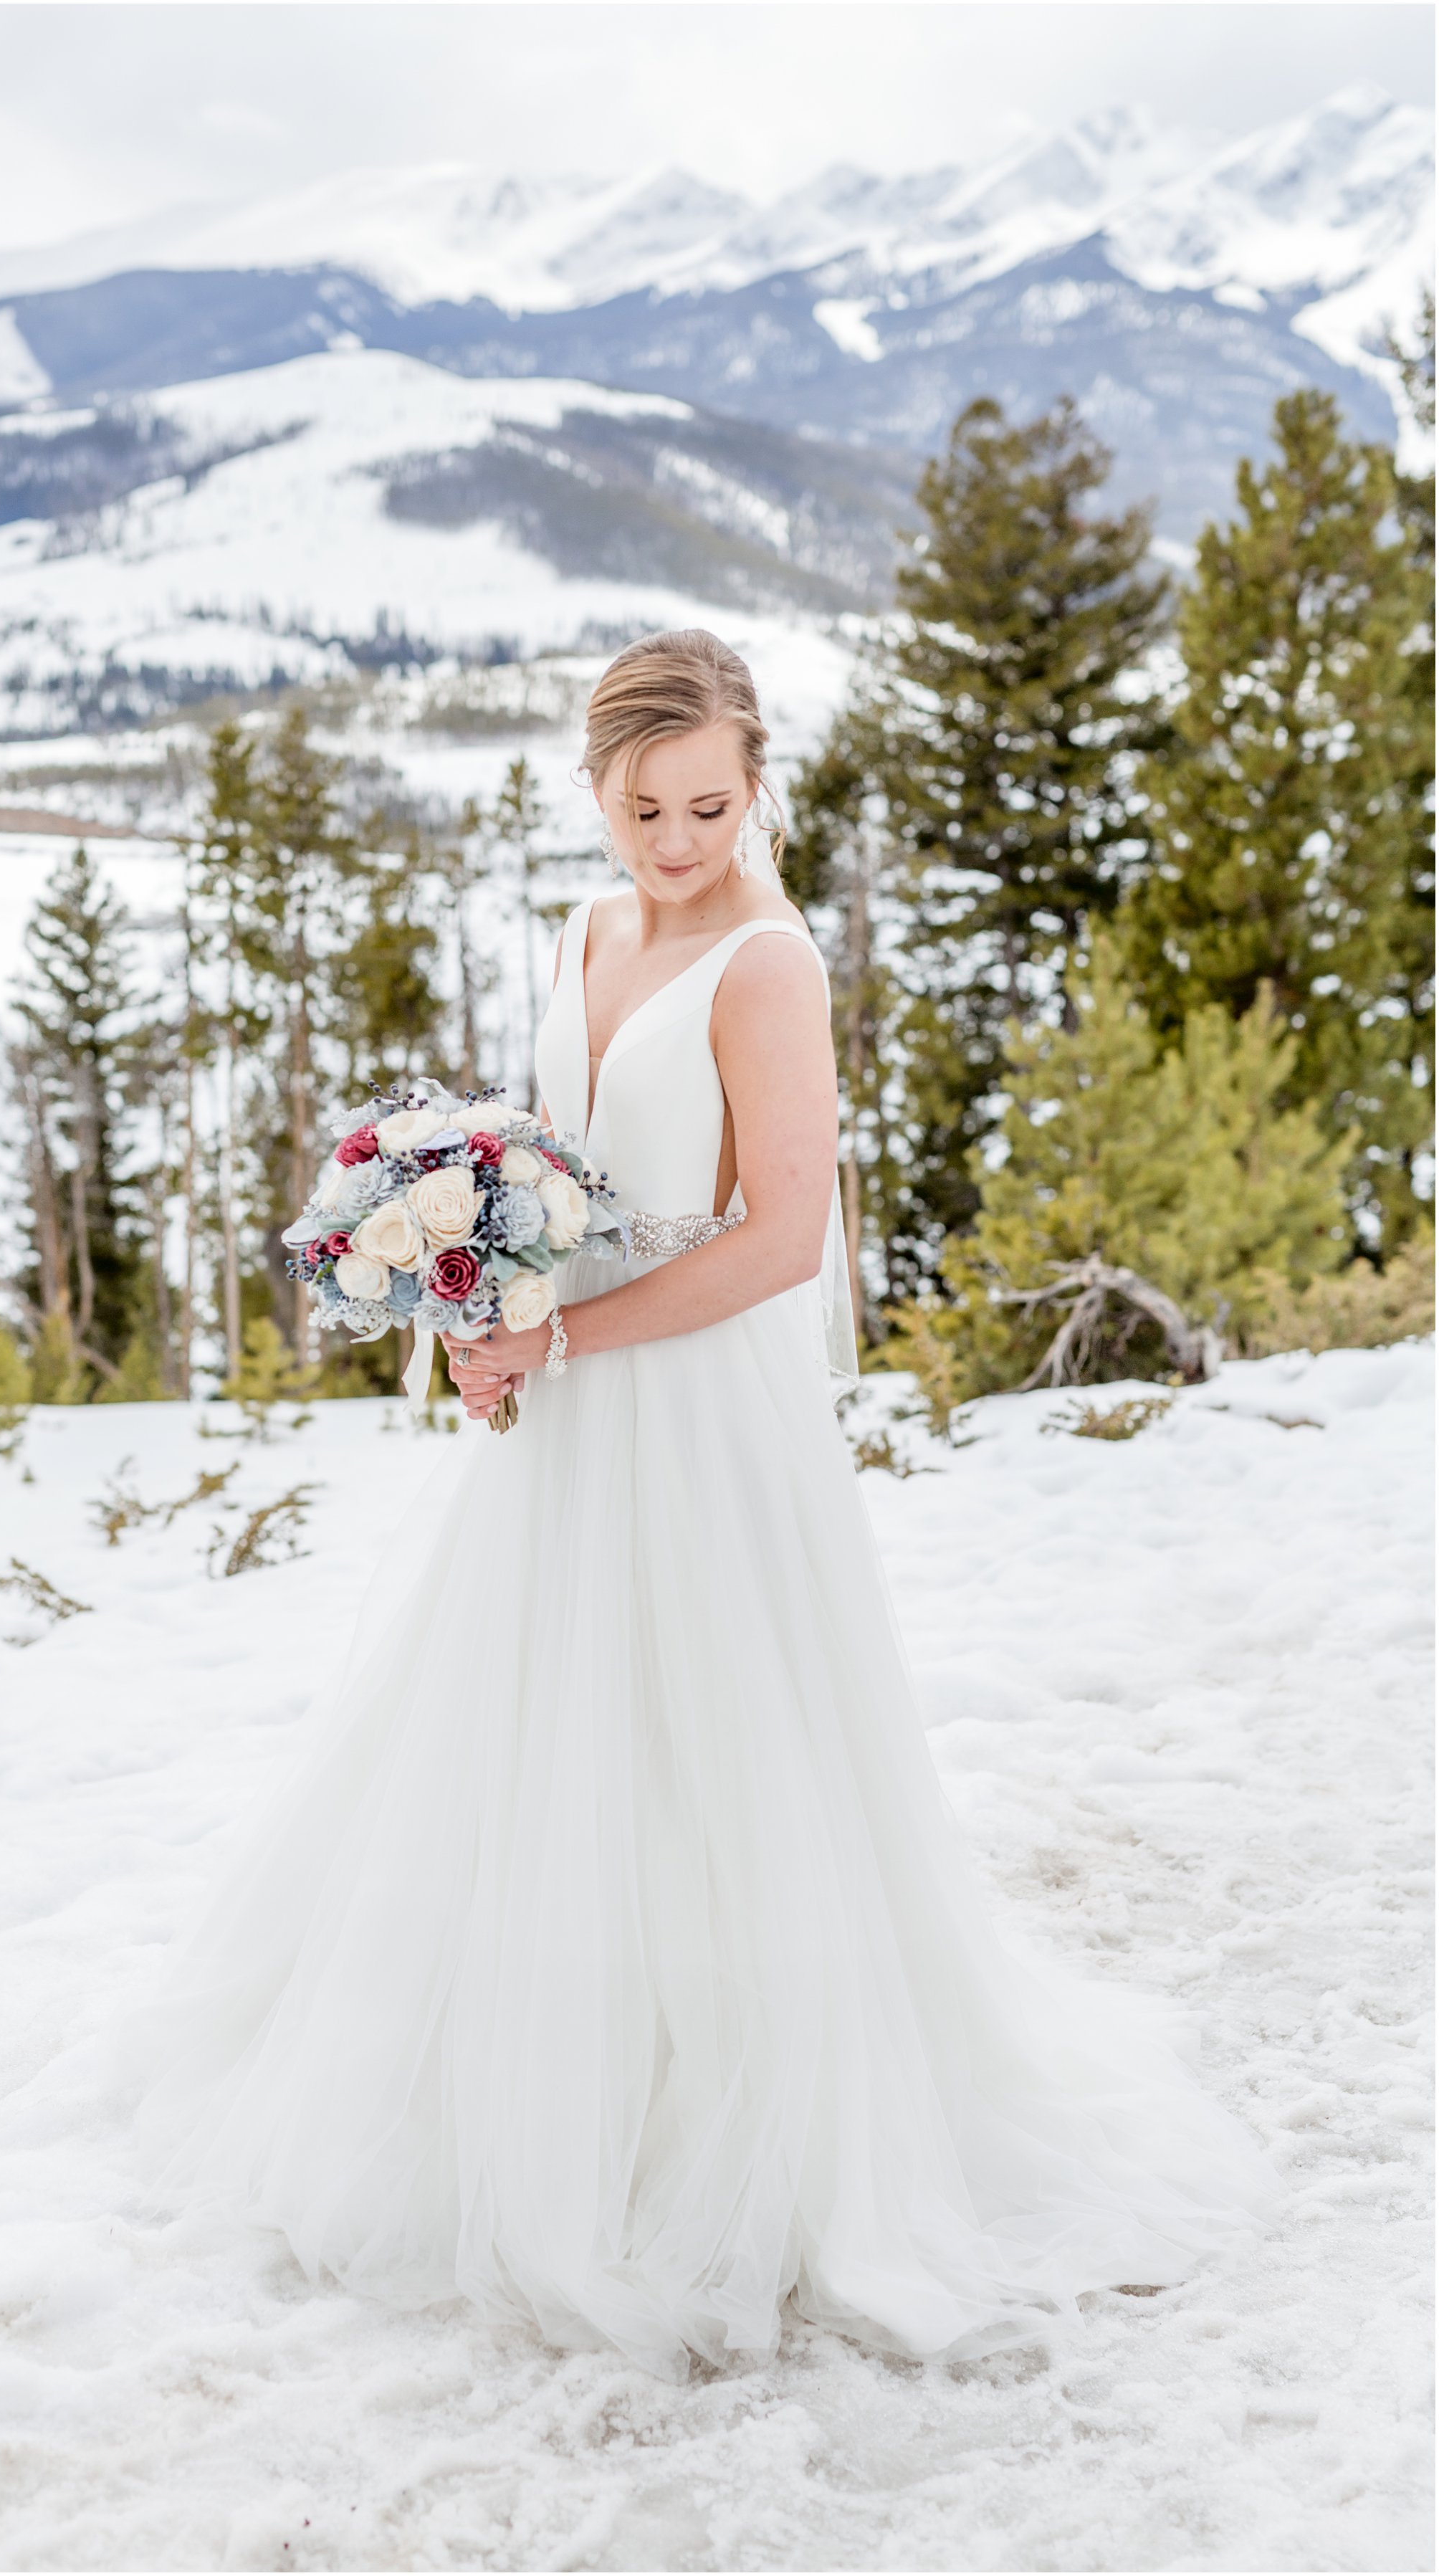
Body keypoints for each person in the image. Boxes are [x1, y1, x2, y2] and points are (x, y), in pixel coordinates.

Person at [120, 628, 1269, 2380]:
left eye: (709, 805)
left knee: (711, 1758)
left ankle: (739, 2148)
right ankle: (539, 2096)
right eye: (643, 808)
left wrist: (555, 1330)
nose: (676, 842)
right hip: (568, 1412)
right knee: (549, 1754)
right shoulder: (590, 931)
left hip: (701, 1414)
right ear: (596, 793)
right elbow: (565, 1171)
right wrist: (469, 1287)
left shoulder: (768, 964)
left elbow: (782, 1243)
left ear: (756, 783)